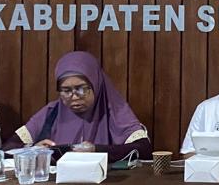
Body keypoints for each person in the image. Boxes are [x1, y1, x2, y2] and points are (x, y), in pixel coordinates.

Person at [13, 51, 151, 162]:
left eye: (81, 89)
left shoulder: (114, 110)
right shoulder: (52, 112)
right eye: (66, 91)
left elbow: (144, 149)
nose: (74, 97)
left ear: (96, 85)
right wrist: (32, 150)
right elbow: (9, 147)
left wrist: (97, 150)